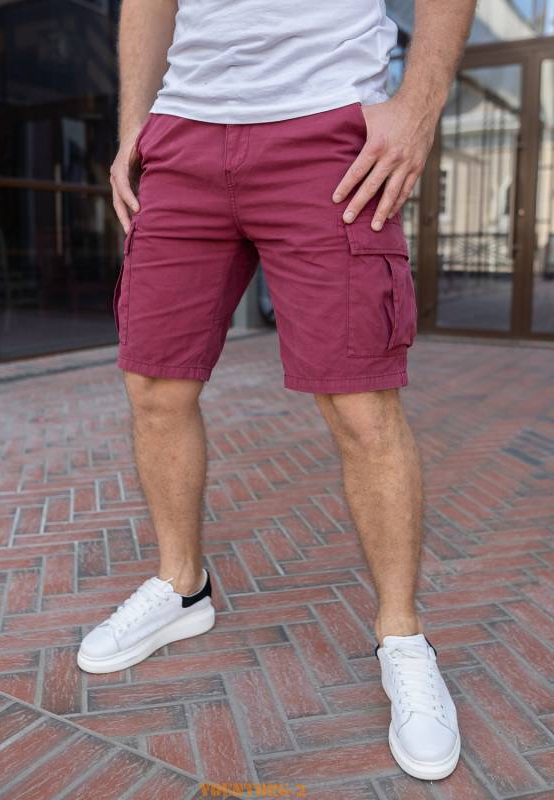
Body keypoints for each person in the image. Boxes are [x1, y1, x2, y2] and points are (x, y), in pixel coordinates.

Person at [77, 0, 476, 781]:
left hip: (325, 127)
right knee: (153, 383)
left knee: (361, 404)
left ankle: (403, 636)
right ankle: (182, 586)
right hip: (182, 134)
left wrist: (418, 110)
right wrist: (135, 126)